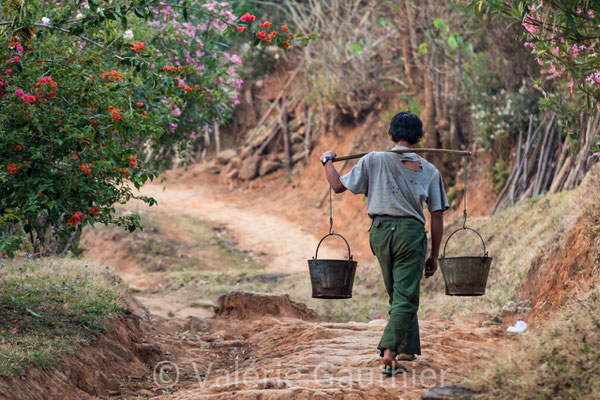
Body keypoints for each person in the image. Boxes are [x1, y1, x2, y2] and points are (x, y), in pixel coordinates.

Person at [320, 112, 448, 375]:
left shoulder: (373, 159)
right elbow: (436, 215)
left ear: (391, 136)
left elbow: (337, 186)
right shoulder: (430, 171)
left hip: (379, 232)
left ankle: (407, 349)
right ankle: (390, 353)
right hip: (410, 235)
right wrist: (434, 255)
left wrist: (327, 161)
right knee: (406, 297)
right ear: (419, 138)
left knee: (399, 294)